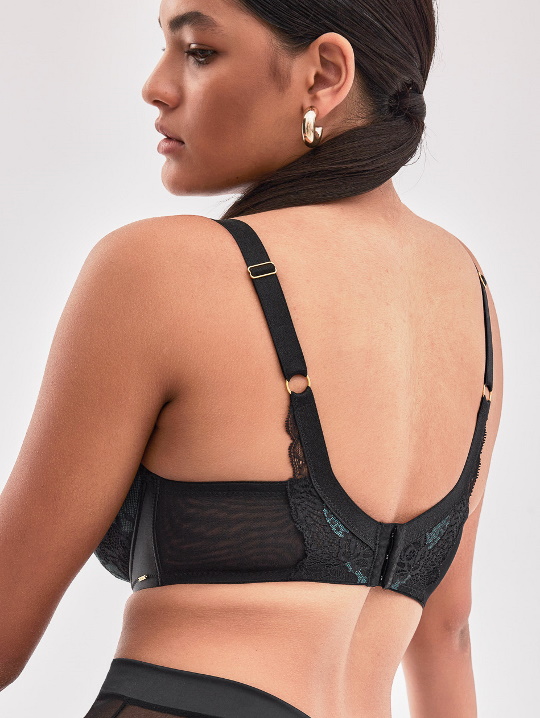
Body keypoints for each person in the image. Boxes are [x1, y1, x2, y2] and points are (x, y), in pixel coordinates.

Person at [0, 0, 503, 716]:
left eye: (198, 51)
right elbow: (446, 637)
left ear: (324, 74)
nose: (155, 86)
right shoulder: (468, 296)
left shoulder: (161, 270)